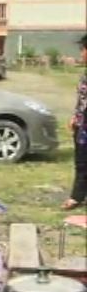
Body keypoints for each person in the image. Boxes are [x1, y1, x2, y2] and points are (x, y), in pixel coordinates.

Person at [62, 34, 87, 210]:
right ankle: (77, 196)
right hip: (82, 125)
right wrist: (75, 117)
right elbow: (82, 99)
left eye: (83, 49)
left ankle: (77, 196)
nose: (82, 53)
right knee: (81, 161)